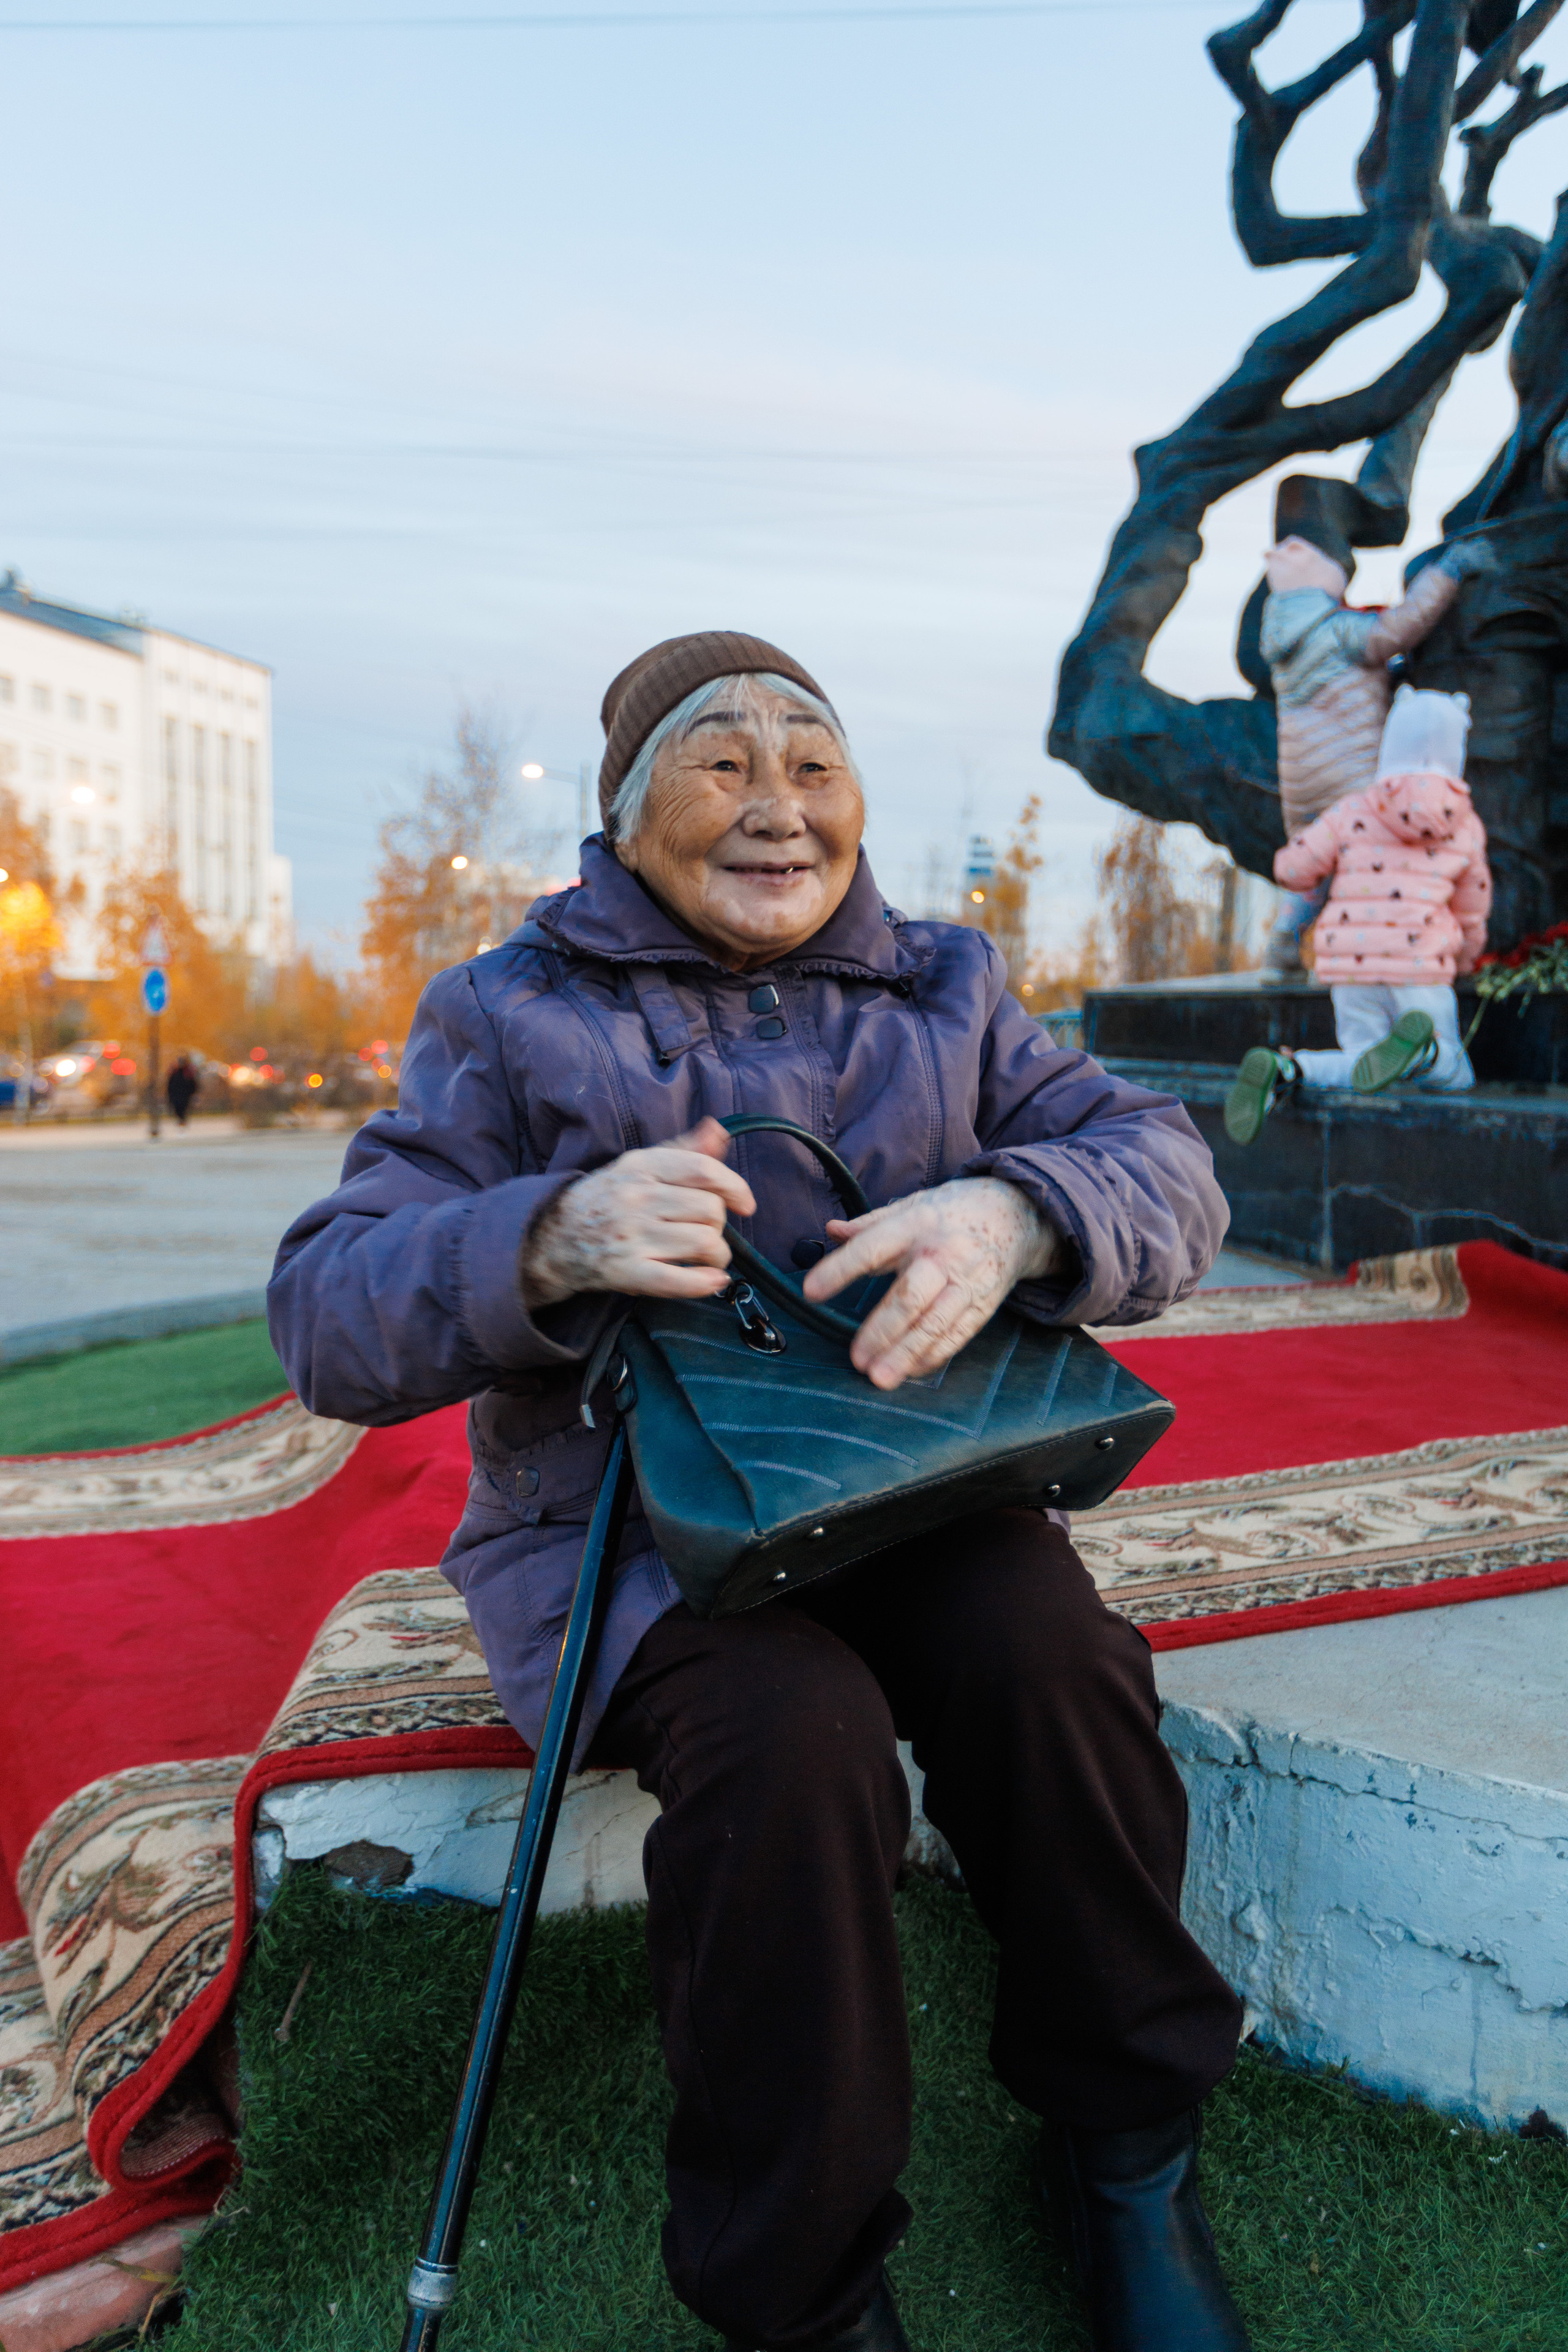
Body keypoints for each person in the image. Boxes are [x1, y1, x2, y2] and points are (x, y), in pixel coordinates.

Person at [268, 631, 1248, 2352]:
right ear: (628, 817)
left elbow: (1164, 1163)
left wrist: (1020, 1210)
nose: (778, 802)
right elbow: (326, 1312)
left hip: (918, 1483)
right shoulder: (508, 1014)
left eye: (814, 758)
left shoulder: (949, 985)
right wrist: (549, 1237)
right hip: (629, 1536)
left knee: (1058, 1664)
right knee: (794, 1747)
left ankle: (1130, 2151)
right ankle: (801, 2296)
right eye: (722, 764)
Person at [1226, 686, 1490, 1144]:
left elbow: (1295, 867)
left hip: (1351, 965)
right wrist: (1467, 958)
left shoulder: (1353, 809)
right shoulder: (1465, 825)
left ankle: (1292, 1068)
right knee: (1456, 1070)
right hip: (1420, 967)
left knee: (1363, 1060)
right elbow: (1473, 905)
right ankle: (1423, 1053)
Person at [1259, 531, 1493, 979]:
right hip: (1353, 772)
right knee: (1377, 859)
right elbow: (1396, 629)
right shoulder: (1340, 630)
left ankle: (1284, 942)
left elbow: (1350, 681)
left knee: (1320, 858)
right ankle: (1390, 947)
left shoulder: (1284, 645)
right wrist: (1447, 573)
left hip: (1303, 783)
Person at [165, 1053, 200, 1126]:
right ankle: (181, 1120)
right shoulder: (174, 1072)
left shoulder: (188, 1072)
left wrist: (193, 1093)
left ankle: (182, 1120)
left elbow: (193, 1084)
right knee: (177, 1107)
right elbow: (170, 1084)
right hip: (176, 1094)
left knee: (184, 1107)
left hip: (185, 1095)